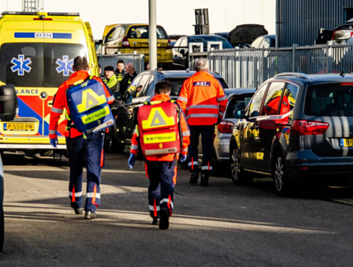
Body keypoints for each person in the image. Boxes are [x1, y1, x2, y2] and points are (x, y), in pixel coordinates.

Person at [49, 55, 115, 219]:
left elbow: (56, 112)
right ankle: (90, 207)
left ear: (72, 68)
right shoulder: (97, 82)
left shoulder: (65, 86)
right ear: (87, 68)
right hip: (95, 132)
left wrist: (53, 133)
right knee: (94, 170)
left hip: (74, 134)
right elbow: (111, 100)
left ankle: (76, 202)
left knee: (75, 169)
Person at [128, 80, 189, 229]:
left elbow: (137, 133)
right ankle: (165, 207)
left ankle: (154, 214)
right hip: (169, 155)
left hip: (150, 154)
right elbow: (184, 132)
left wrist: (133, 153)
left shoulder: (143, 109)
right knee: (167, 182)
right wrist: (184, 151)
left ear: (154, 93)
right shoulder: (174, 108)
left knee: (154, 184)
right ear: (168, 93)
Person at [177, 57, 227, 186]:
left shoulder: (189, 82)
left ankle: (194, 171)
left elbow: (181, 103)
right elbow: (223, 101)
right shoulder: (214, 82)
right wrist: (220, 116)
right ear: (208, 69)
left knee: (192, 146)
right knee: (207, 147)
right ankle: (205, 174)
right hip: (210, 121)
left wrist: (182, 120)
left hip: (192, 121)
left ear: (195, 68)